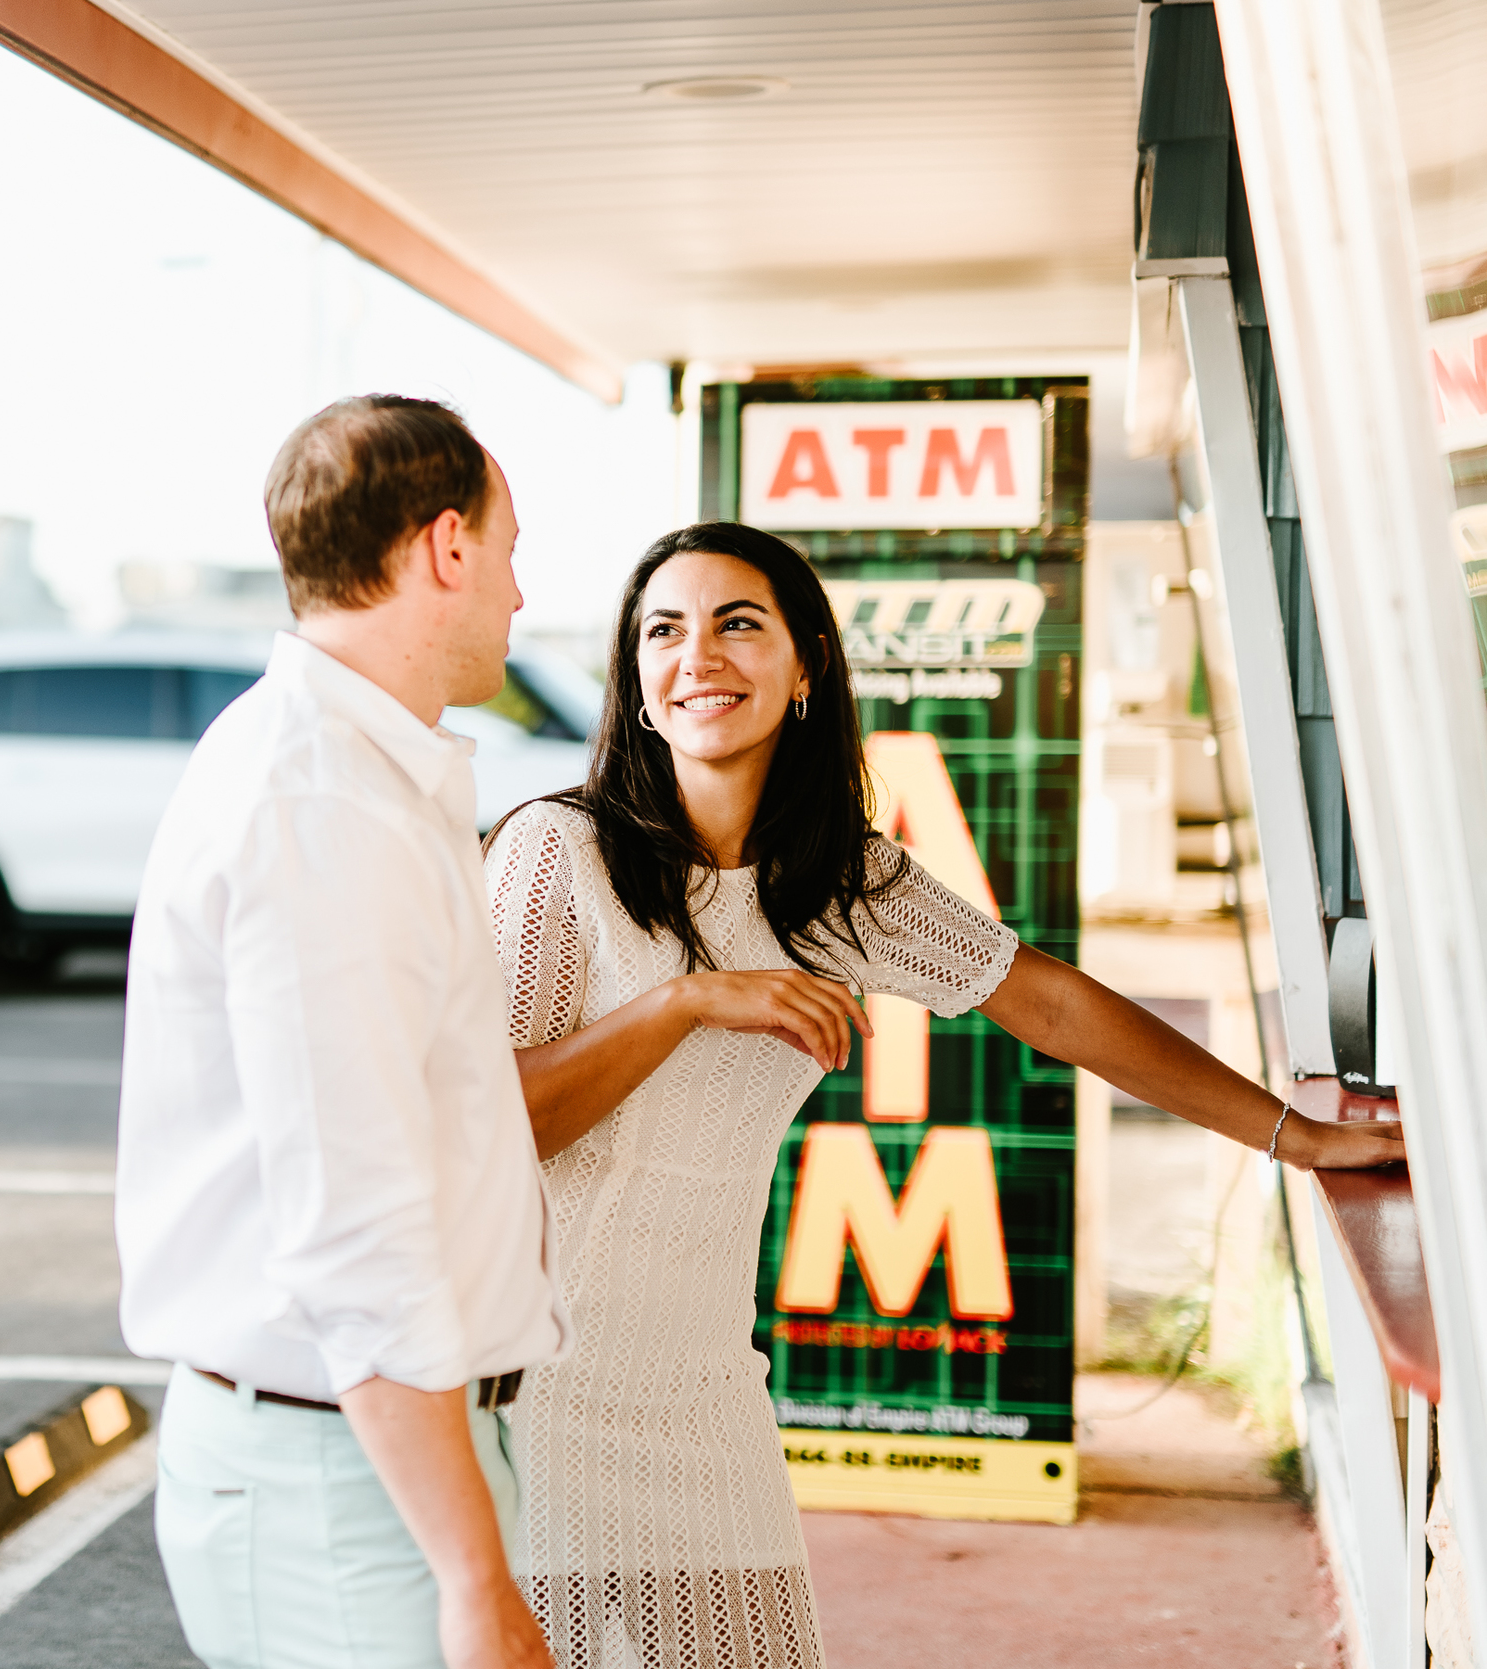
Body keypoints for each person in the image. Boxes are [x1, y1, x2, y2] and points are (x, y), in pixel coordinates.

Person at [482, 521, 1405, 1669]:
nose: (695, 655)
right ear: (633, 675)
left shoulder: (841, 882)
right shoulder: (553, 853)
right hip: (534, 1394)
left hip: (707, 1395)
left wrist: (1294, 1136)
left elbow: (1053, 1006)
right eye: (661, 631)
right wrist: (685, 1004)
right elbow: (497, 1126)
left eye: (737, 624)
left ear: (806, 661)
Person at [118, 395, 572, 1669]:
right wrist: (475, 1582)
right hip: (340, 1483)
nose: (519, 594)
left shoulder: (361, 773)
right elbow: (353, 1229)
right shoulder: (322, 804)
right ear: (444, 549)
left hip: (377, 1454)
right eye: (510, 549)